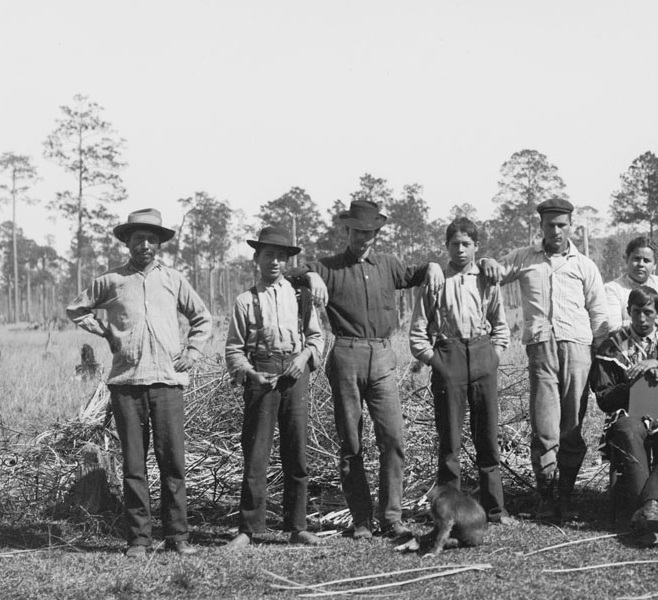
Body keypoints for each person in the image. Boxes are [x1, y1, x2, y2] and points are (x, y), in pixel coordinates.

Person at [66, 208, 212, 557]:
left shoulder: (174, 279)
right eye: (137, 238)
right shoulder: (111, 281)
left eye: (150, 238)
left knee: (172, 462)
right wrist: (103, 330)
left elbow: (202, 318)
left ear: (159, 242)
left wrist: (192, 352)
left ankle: (178, 536)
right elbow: (76, 309)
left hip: (167, 383)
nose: (144, 244)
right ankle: (139, 539)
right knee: (133, 465)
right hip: (126, 384)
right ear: (126, 242)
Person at [304, 200, 443, 539]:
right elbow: (297, 272)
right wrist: (310, 276)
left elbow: (414, 274)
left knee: (393, 439)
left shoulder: (388, 264)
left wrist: (435, 266)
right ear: (347, 230)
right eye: (356, 231)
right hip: (346, 353)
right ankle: (362, 520)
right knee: (350, 442)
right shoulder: (329, 267)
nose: (362, 237)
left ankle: (391, 517)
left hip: (382, 354)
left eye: (369, 232)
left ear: (376, 234)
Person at [482, 198, 608, 521]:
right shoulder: (525, 258)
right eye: (550, 224)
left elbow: (599, 313)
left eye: (562, 224)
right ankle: (546, 498)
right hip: (541, 349)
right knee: (544, 425)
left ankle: (567, 495)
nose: (556, 230)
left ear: (570, 226)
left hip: (579, 349)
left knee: (573, 425)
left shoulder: (584, 266)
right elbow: (495, 271)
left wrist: (602, 355)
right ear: (541, 226)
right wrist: (485, 262)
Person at [409, 217, 514, 525]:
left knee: (487, 438)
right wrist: (436, 360)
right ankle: (449, 513)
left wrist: (492, 356)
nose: (460, 249)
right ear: (446, 247)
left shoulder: (487, 279)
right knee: (450, 443)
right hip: (448, 356)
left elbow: (501, 326)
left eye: (466, 244)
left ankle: (496, 510)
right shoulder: (436, 280)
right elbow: (417, 332)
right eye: (454, 244)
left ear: (476, 247)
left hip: (482, 354)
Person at [224, 227, 325, 548]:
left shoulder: (301, 297)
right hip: (261, 378)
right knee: (256, 452)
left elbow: (316, 338)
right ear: (257, 258)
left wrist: (305, 357)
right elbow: (233, 350)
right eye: (269, 255)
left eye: (281, 257)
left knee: (296, 450)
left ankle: (297, 527)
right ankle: (248, 529)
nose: (275, 262)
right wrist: (250, 373)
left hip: (295, 375)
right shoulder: (245, 301)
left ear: (288, 261)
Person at [590, 286, 658, 547]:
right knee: (628, 431)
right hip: (627, 411)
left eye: (648, 312)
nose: (642, 318)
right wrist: (631, 382)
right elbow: (603, 396)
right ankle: (653, 508)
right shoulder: (612, 346)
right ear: (628, 312)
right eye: (636, 312)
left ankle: (648, 509)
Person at [604, 236, 658, 350]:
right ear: (627, 260)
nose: (641, 264)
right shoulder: (612, 289)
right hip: (625, 348)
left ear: (655, 265)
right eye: (636, 259)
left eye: (647, 260)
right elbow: (614, 327)